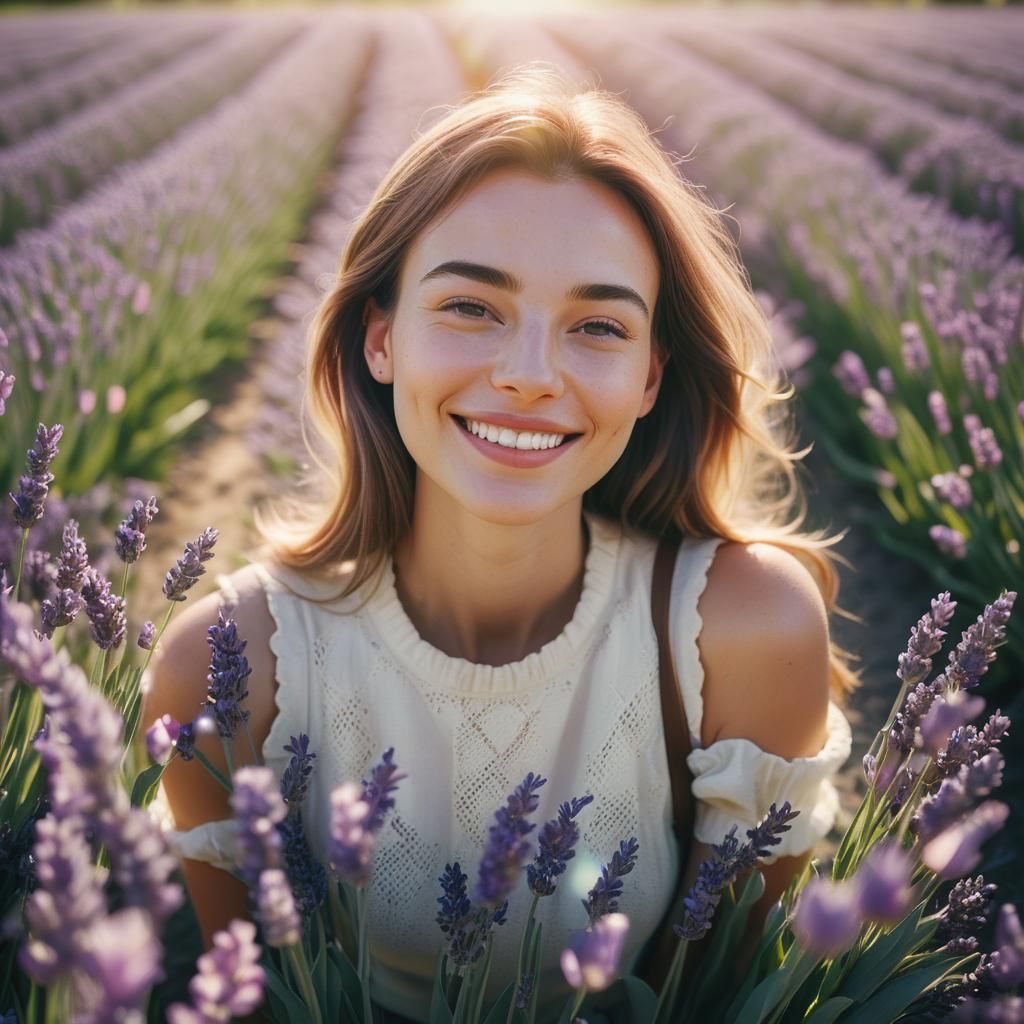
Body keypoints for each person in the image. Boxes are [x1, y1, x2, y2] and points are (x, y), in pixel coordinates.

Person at [146, 64, 858, 1023]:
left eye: (597, 325)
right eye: (471, 306)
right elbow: (254, 998)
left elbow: (724, 994)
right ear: (380, 338)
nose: (528, 376)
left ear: (651, 377)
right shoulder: (228, 670)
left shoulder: (742, 632)